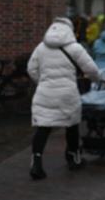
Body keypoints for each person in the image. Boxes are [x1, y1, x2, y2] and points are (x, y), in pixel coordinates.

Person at [26, 17, 101, 179]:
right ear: (69, 30)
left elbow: (31, 69)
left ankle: (36, 163)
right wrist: (96, 80)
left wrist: (42, 82)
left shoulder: (41, 48)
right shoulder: (75, 48)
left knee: (43, 127)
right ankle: (73, 158)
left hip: (45, 93)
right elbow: (92, 70)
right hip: (67, 93)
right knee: (71, 125)